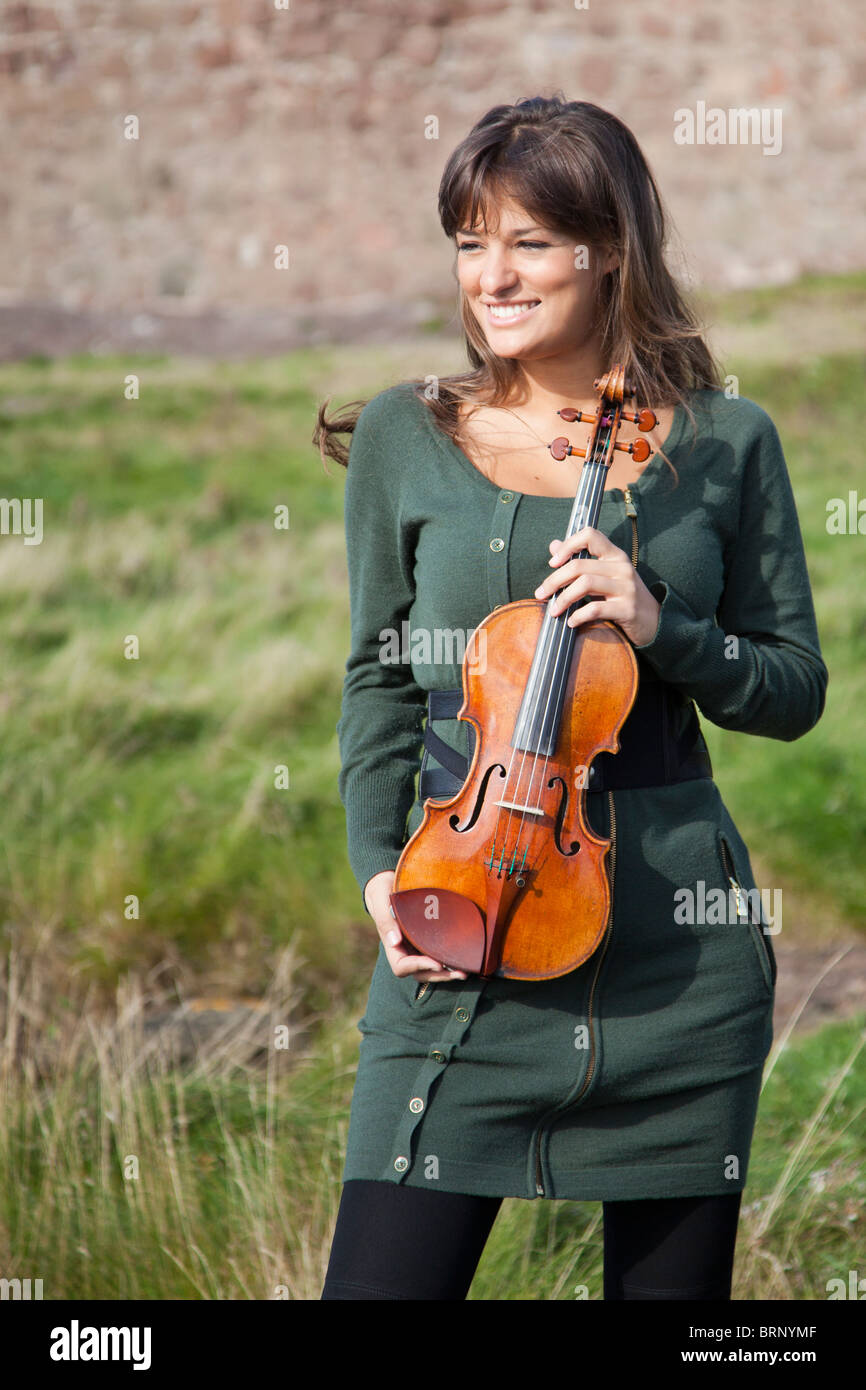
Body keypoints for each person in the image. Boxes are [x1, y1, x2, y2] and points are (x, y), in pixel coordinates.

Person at [313, 95, 828, 1301]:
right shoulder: (406, 432)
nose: (489, 275)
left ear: (608, 250)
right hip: (462, 929)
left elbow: (789, 689)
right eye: (467, 242)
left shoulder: (727, 441)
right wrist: (378, 870)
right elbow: (380, 678)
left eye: (527, 242)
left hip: (676, 970)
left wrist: (661, 624)